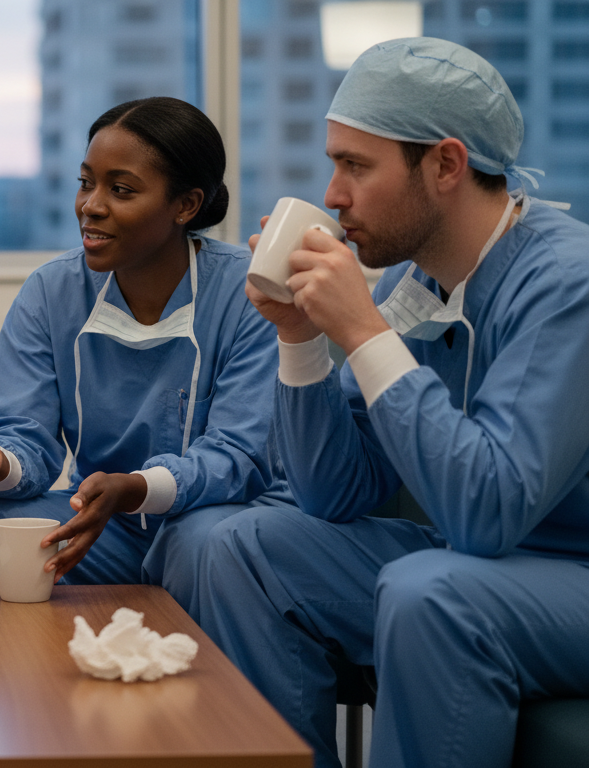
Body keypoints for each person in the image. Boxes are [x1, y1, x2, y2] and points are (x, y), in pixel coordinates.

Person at [199, 38, 589, 768]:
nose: (334, 195)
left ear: (446, 165)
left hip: (567, 572)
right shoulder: (419, 284)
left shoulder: (568, 282)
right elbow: (332, 493)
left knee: (430, 591)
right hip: (481, 562)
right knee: (244, 546)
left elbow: (488, 511)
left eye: (356, 165)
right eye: (333, 165)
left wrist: (363, 332)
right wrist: (301, 338)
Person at [0, 97, 287, 614]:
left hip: (214, 516)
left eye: (121, 189)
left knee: (198, 539)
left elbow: (239, 455)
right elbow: (24, 433)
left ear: (186, 205)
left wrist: (135, 487)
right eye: (86, 182)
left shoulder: (248, 293)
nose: (91, 205)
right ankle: (9, 666)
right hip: (106, 526)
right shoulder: (53, 291)